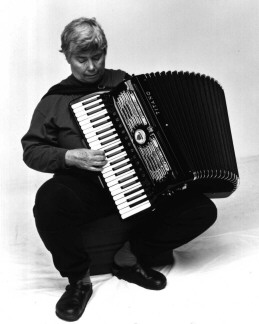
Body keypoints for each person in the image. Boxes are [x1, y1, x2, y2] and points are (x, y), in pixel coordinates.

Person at [21, 17, 217, 322]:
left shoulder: (122, 82)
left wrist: (168, 165)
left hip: (142, 181)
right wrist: (70, 156)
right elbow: (32, 150)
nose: (90, 67)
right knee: (49, 200)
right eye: (80, 59)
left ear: (105, 51)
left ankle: (129, 257)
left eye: (96, 57)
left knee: (202, 209)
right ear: (66, 57)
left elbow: (155, 128)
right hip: (91, 187)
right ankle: (78, 281)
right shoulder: (54, 101)